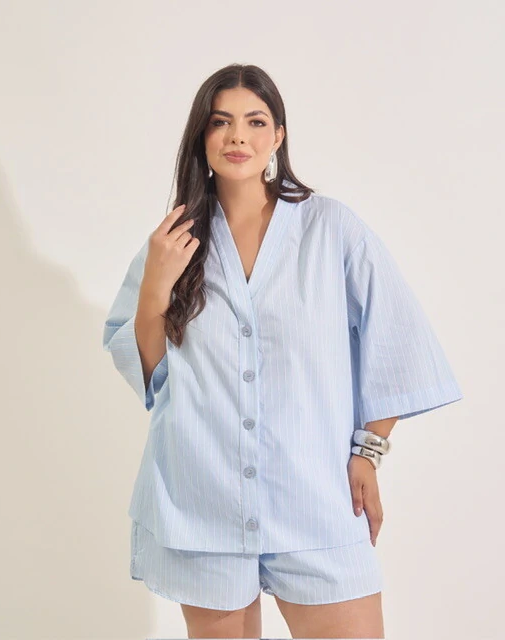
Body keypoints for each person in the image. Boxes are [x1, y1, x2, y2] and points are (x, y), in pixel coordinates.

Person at [102, 63, 463, 639]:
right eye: (220, 122)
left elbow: (397, 336)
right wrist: (154, 290)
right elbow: (152, 374)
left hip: (315, 497)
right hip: (201, 500)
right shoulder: (172, 241)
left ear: (278, 136)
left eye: (255, 121)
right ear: (202, 136)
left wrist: (368, 451)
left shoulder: (330, 228)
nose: (237, 136)